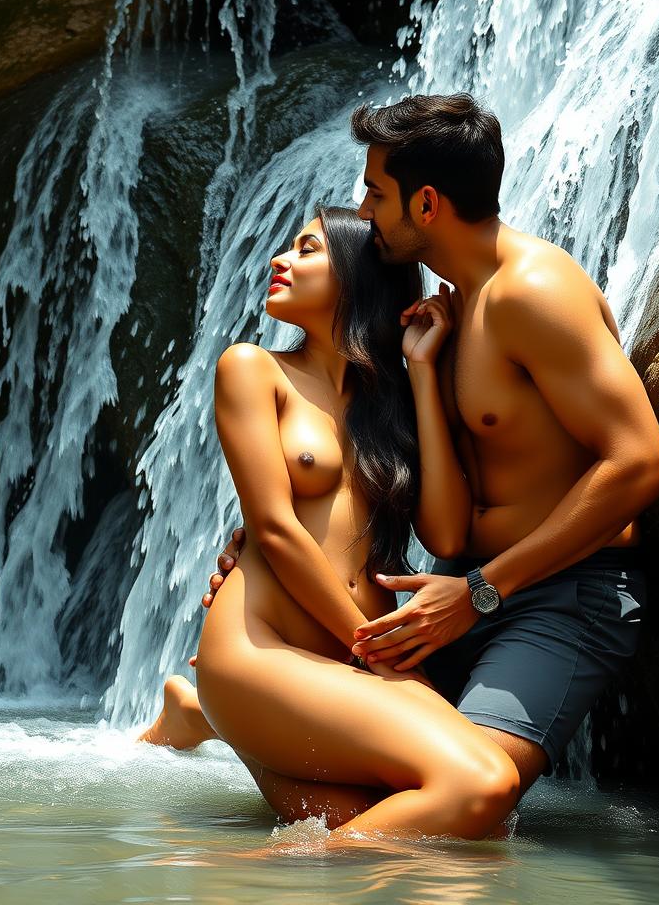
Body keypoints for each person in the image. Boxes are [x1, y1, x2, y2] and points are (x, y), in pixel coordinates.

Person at [189, 93, 659, 810]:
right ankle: (234, 713)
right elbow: (425, 520)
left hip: (555, 594)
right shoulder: (439, 320)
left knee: (471, 798)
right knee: (391, 791)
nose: (363, 209)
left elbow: (643, 464)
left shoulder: (535, 291)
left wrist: (483, 592)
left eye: (375, 193)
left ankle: (242, 835)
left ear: (425, 205)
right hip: (455, 588)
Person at [142, 203, 521, 843]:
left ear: (356, 276)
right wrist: (377, 655)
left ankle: (209, 721)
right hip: (262, 645)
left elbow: (449, 537)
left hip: (342, 660)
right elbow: (275, 529)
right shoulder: (254, 369)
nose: (279, 260)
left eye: (308, 249)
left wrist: (423, 372)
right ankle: (245, 876)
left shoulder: (394, 399)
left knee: (397, 824)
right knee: (484, 786)